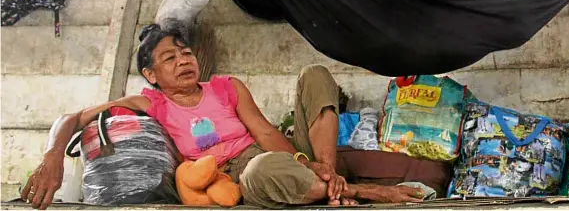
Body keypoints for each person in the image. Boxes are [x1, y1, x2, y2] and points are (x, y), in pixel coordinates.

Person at [21, 23, 425, 210]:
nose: (182, 60)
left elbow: (265, 132)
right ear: (151, 75)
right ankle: (354, 192)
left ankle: (330, 180)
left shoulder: (226, 87)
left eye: (185, 52)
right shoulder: (151, 104)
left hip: (282, 156)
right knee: (259, 174)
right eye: (169, 58)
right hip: (238, 176)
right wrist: (53, 157)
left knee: (314, 76)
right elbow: (72, 118)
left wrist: (312, 165)